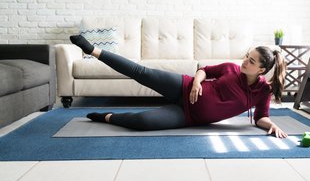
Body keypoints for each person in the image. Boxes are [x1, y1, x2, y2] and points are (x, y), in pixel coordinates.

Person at [69, 35, 288, 138]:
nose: (245, 62)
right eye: (247, 56)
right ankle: (92, 50)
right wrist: (195, 83)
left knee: (142, 122)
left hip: (188, 116)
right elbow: (204, 70)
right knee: (141, 73)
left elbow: (261, 116)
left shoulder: (263, 92)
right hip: (182, 87)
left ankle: (107, 116)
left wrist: (271, 126)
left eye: (251, 61)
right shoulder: (230, 67)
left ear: (261, 70)